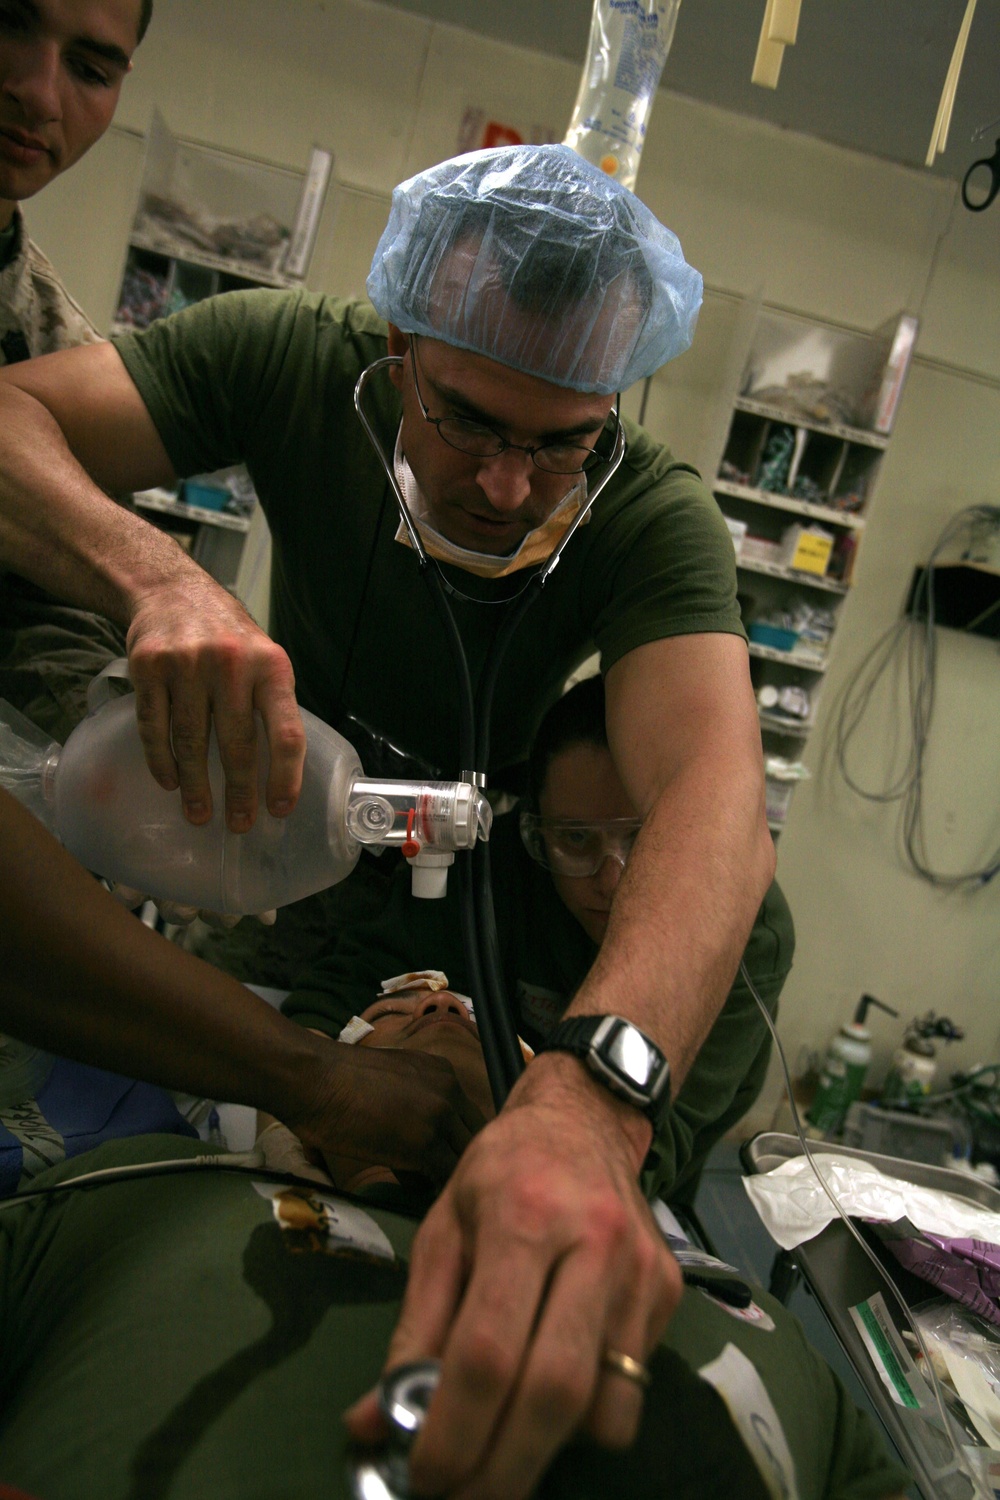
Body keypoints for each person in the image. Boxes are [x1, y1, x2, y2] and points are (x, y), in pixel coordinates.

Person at [0, 143, 776, 1493]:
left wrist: (593, 1104)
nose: (506, 489)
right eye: (467, 420)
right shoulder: (296, 357)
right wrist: (157, 581)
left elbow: (717, 796)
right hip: (297, 860)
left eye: (561, 445)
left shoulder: (650, 516)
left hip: (458, 871)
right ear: (401, 345)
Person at [0, 985, 910, 1500]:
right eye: (397, 1007)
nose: (440, 1001)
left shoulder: (740, 1305)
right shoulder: (138, 1186)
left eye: (471, 1012)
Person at [285, 675, 795, 1207]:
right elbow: (335, 993)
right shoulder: (494, 867)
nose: (612, 879)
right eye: (575, 839)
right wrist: (306, 1094)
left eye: (644, 838)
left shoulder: (747, 927)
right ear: (535, 830)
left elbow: (650, 1152)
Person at [0, 782, 485, 1193]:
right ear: (308, 1141)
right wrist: (316, 1084)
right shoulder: (142, 1166)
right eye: (388, 1012)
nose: (439, 999)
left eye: (477, 1027)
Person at [0, 0, 153, 743]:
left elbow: (44, 632)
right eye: (8, 20)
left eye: (90, 70)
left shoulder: (54, 357)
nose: (38, 90)